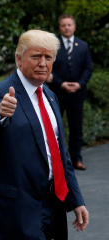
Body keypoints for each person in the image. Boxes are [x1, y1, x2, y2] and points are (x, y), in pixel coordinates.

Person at [0, 29, 89, 240]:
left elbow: (60, 155)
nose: (43, 64)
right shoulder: (0, 92)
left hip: (47, 208)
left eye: (48, 58)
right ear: (19, 58)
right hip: (13, 212)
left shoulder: (50, 96)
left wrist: (76, 200)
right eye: (36, 56)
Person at [47, 14, 93, 170]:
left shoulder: (83, 46)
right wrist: (62, 84)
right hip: (57, 94)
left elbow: (88, 68)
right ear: (59, 27)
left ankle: (76, 159)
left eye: (69, 25)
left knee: (76, 129)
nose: (66, 28)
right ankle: (57, 160)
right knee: (55, 128)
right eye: (63, 25)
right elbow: (48, 68)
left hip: (77, 94)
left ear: (74, 27)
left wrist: (79, 84)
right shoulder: (53, 46)